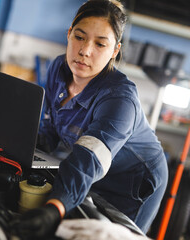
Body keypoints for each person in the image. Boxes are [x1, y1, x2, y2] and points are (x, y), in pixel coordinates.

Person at [15, 0, 168, 238]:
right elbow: (49, 129)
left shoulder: (120, 98)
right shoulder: (58, 68)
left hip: (133, 182)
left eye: (100, 44)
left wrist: (55, 209)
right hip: (92, 171)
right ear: (69, 34)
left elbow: (89, 161)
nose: (85, 51)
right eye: (79, 37)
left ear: (114, 51)